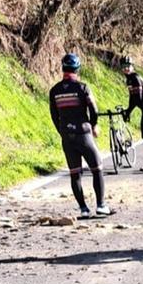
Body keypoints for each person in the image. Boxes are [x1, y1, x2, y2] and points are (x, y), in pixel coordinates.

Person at [48, 53, 110, 217]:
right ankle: (101, 205)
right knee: (97, 168)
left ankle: (83, 209)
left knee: (75, 173)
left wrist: (62, 131)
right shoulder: (83, 87)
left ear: (63, 69)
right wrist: (94, 125)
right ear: (77, 69)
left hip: (67, 137)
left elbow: (54, 116)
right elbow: (93, 109)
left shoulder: (54, 91)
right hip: (83, 133)